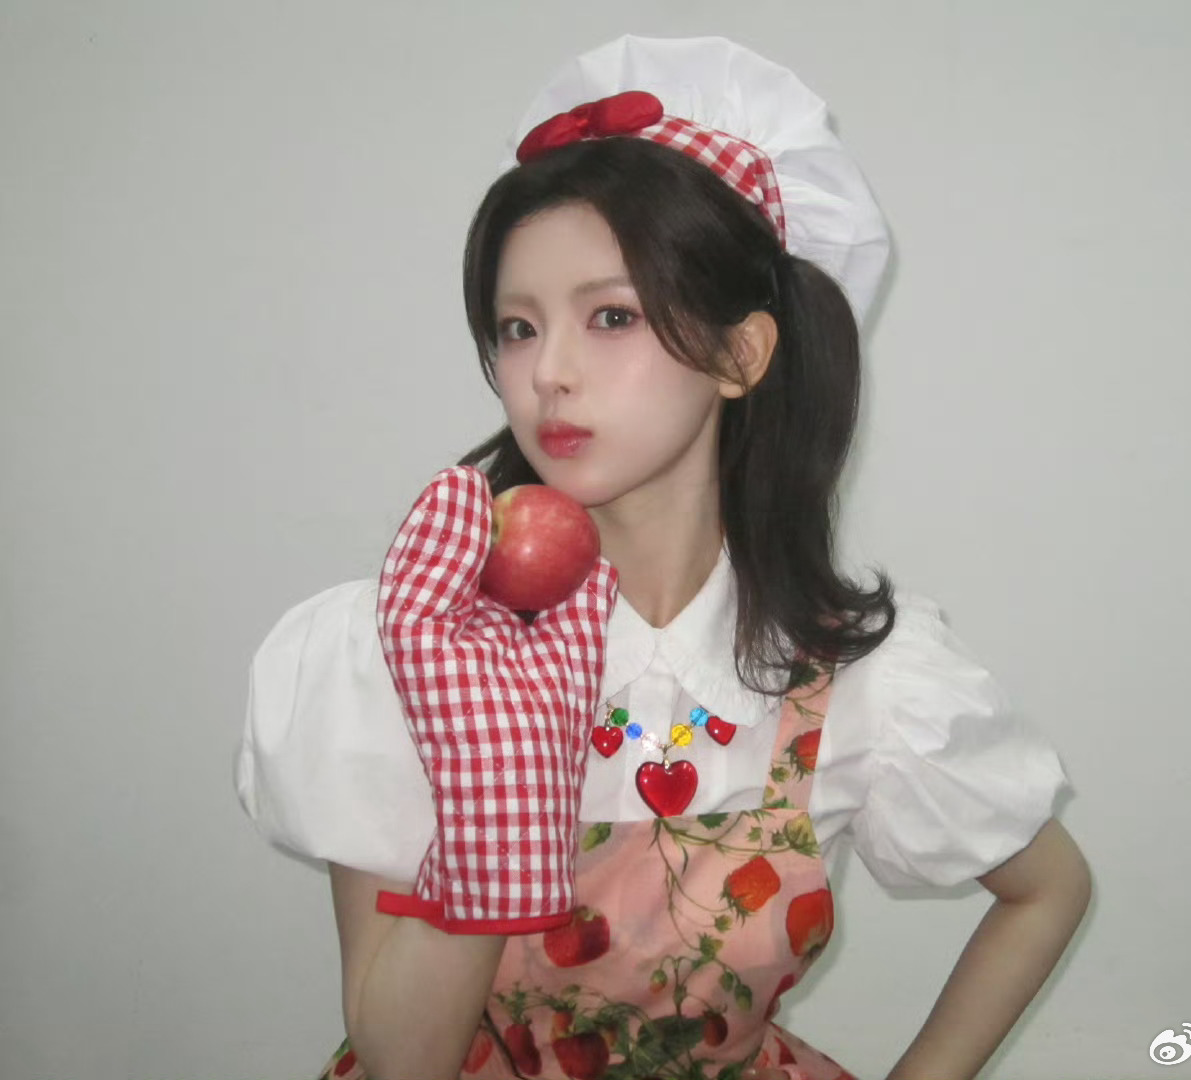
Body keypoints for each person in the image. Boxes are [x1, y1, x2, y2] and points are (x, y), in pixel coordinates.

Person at [237, 34, 1092, 1080]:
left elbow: (1049, 891)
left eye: (611, 316)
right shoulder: (409, 648)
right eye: (516, 327)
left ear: (741, 353)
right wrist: (495, 787)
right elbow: (402, 1060)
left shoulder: (858, 681)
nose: (548, 372)